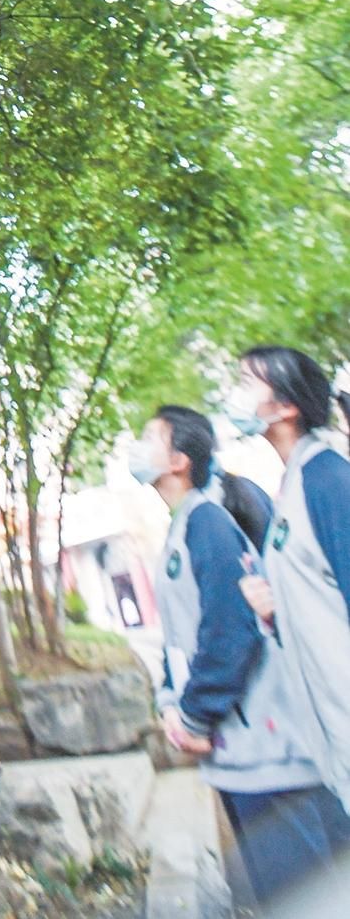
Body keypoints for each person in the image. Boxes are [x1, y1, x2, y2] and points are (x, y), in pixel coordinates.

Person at [129, 404, 337, 905]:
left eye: (150, 437)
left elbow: (231, 633)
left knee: (303, 895)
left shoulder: (207, 524)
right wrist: (171, 703)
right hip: (241, 756)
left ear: (179, 461)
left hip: (265, 756)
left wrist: (194, 716)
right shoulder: (185, 526)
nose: (137, 447)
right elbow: (182, 640)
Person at [233, 346, 350, 830]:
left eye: (246, 383)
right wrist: (274, 611)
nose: (234, 394)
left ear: (287, 406)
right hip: (331, 733)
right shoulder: (294, 485)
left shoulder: (329, 481)